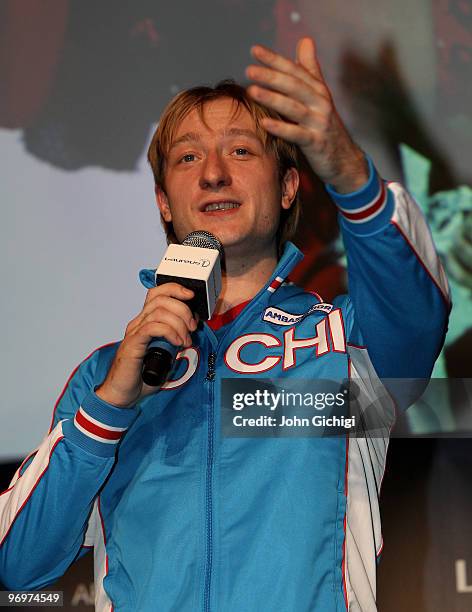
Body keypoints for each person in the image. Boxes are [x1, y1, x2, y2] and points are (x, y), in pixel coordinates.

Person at [0, 37, 449, 611]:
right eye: (188, 158)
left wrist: (350, 175)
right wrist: (113, 405)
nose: (212, 173)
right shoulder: (107, 378)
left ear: (288, 187)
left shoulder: (345, 346)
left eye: (240, 152)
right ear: (164, 201)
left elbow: (419, 317)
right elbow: (19, 563)